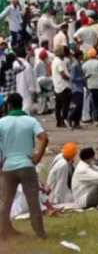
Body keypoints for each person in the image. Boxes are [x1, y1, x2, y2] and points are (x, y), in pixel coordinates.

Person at [0, 93, 49, 239]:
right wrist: (37, 157)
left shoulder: (2, 122)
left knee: (6, 201)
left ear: (8, 106)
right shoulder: (30, 121)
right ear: (21, 104)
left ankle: (3, 231)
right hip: (27, 165)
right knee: (33, 201)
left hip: (8, 166)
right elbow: (44, 138)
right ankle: (40, 233)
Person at [51, 46, 71, 128]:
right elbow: (63, 74)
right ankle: (63, 120)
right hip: (63, 86)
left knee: (58, 106)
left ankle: (59, 122)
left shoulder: (55, 61)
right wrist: (70, 78)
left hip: (57, 86)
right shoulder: (59, 62)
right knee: (65, 105)